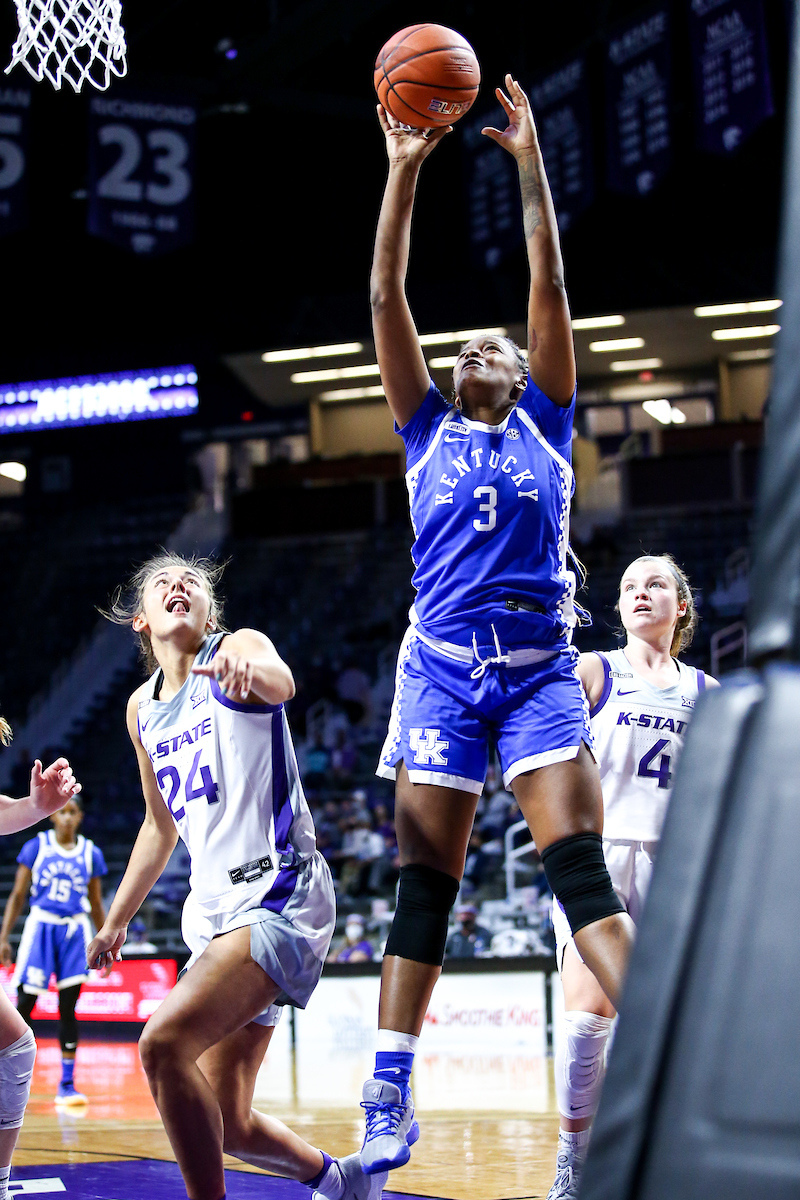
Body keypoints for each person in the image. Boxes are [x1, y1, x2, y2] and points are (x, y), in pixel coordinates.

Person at [361, 76, 634, 1175]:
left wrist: (527, 166)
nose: (475, 350)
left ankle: (668, 1049)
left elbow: (550, 280)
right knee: (425, 882)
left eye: (494, 348)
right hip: (438, 671)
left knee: (580, 872)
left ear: (525, 376)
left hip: (534, 672)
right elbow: (385, 298)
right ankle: (387, 1093)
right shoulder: (421, 424)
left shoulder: (548, 420)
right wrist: (402, 172)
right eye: (462, 347)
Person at [86, 553, 385, 1200]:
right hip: (218, 913)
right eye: (162, 581)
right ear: (141, 620)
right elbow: (158, 827)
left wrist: (255, 670)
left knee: (161, 1045)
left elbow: (282, 683)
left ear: (208, 611)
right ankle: (342, 1181)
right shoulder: (141, 710)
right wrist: (115, 921)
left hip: (281, 890)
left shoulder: (234, 649)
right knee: (227, 1122)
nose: (179, 585)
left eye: (191, 581)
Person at [546, 554, 718, 1199]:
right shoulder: (597, 668)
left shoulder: (706, 693)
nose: (641, 594)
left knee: (672, 1021)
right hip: (599, 857)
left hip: (673, 866)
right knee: (589, 1020)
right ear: (616, 609)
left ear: (681, 605)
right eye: (628, 587)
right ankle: (573, 1156)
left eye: (656, 585)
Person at [0, 713, 82, 1200]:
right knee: (17, 1045)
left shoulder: (83, 852)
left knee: (18, 1044)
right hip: (40, 929)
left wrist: (36, 806)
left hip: (70, 933)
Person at [0, 794, 106, 1105]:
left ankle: (67, 1084)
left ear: (80, 817)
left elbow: (97, 904)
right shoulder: (36, 846)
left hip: (75, 929)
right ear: (53, 817)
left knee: (68, 1007)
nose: (67, 817)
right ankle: (7, 1078)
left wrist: (105, 938)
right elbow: (18, 895)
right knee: (25, 1004)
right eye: (62, 812)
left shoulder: (91, 853)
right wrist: (4, 937)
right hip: (41, 926)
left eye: (73, 812)